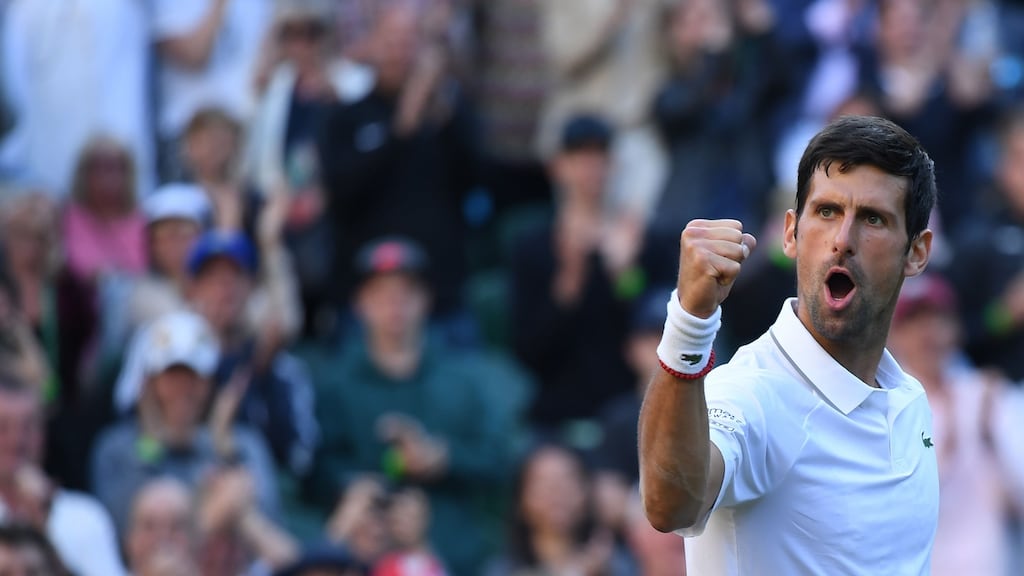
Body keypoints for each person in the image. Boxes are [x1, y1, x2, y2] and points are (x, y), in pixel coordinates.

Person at [639, 115, 939, 574]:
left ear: (916, 252)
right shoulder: (752, 394)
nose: (842, 240)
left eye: (872, 218)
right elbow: (669, 504)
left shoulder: (910, 398)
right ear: (791, 232)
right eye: (827, 211)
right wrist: (689, 323)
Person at [305, 237, 530, 575]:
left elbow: (500, 459)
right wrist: (359, 484)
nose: (394, 305)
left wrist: (444, 456)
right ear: (361, 303)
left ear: (426, 300)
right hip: (364, 550)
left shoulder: (462, 378)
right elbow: (315, 472)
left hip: (454, 551)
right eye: (382, 293)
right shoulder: (334, 383)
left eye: (406, 293)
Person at [90, 309, 280, 534]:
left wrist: (227, 453)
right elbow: (127, 532)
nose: (183, 389)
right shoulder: (116, 447)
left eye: (194, 377)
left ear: (210, 383)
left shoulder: (242, 444)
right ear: (149, 384)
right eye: (172, 376)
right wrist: (150, 446)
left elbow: (271, 528)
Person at [887, 273, 1024, 576]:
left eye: (938, 319)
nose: (928, 332)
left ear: (956, 329)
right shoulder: (881, 411)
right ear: (892, 336)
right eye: (913, 322)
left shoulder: (989, 397)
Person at [0, 373, 125, 576]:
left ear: (43, 432)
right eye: (3, 427)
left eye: (27, 427)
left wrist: (43, 532)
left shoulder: (86, 518)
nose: (17, 440)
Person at [483, 443, 632, 576]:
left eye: (567, 480)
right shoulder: (503, 570)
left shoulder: (615, 563)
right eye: (543, 484)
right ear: (521, 500)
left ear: (586, 491)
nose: (557, 493)